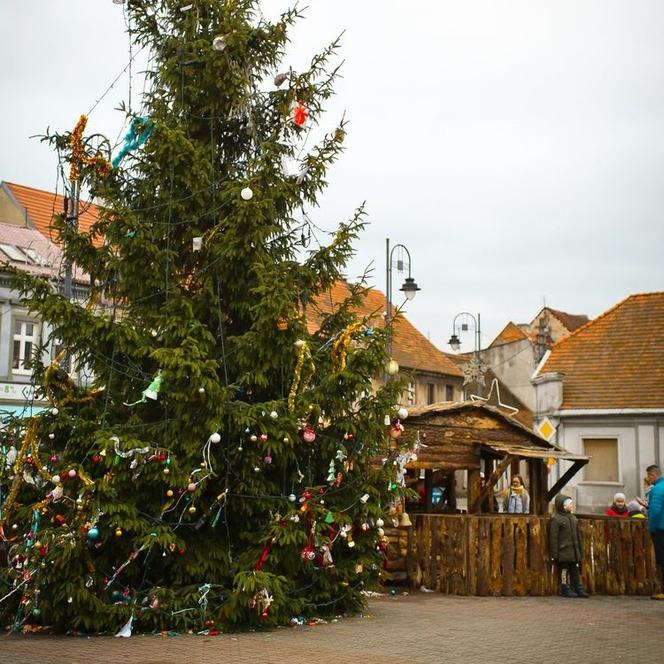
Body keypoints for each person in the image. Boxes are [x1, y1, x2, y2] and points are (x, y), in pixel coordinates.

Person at [549, 494, 590, 598]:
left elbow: (578, 536)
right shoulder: (556, 519)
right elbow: (553, 538)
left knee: (575, 570)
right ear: (563, 506)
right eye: (569, 504)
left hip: (574, 551)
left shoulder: (573, 518)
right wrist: (555, 554)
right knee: (564, 571)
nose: (572, 506)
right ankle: (565, 587)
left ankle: (578, 587)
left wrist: (579, 549)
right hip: (563, 551)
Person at [646, 464, 664, 600]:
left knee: (661, 560)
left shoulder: (657, 490)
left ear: (653, 475)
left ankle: (662, 590)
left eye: (648, 475)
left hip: (660, 529)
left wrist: (651, 528)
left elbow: (655, 511)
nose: (648, 478)